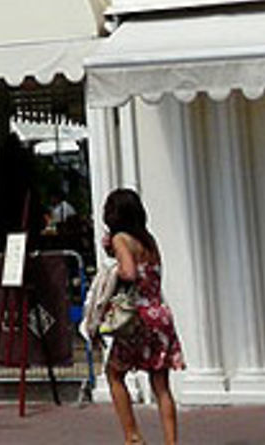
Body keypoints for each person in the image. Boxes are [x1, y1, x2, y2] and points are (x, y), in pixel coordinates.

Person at [101, 188, 183, 445]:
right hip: (160, 314)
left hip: (137, 317)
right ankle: (171, 442)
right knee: (161, 385)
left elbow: (129, 273)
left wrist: (114, 263)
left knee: (114, 373)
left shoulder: (121, 240)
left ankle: (133, 436)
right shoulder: (149, 241)